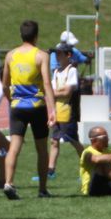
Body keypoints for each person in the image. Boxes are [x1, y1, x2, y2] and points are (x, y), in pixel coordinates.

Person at [2, 19, 57, 199]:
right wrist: (53, 110)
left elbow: (5, 84)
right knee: (41, 148)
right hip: (37, 106)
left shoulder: (10, 55)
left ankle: (8, 182)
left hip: (17, 106)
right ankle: (42, 189)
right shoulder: (42, 55)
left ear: (21, 35)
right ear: (36, 35)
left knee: (14, 147)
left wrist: (12, 100)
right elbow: (47, 83)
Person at [42, 42, 83, 181]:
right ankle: (50, 170)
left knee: (74, 141)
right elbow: (53, 92)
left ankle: (88, 166)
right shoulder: (56, 72)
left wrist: (53, 93)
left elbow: (67, 92)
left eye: (60, 53)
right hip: (57, 112)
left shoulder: (72, 70)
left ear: (68, 55)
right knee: (54, 141)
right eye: (56, 53)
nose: (57, 56)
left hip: (68, 112)